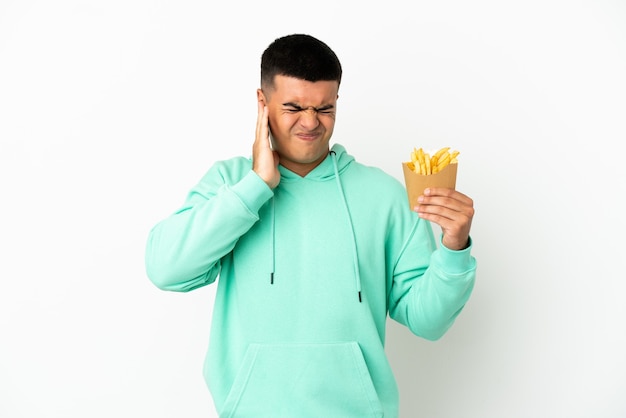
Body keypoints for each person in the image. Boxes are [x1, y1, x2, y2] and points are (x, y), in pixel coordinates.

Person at [145, 33, 476, 418]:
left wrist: (454, 249)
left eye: (325, 108)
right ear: (262, 103)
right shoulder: (230, 184)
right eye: (293, 107)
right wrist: (255, 187)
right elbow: (165, 269)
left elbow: (428, 321)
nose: (310, 122)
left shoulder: (384, 195)